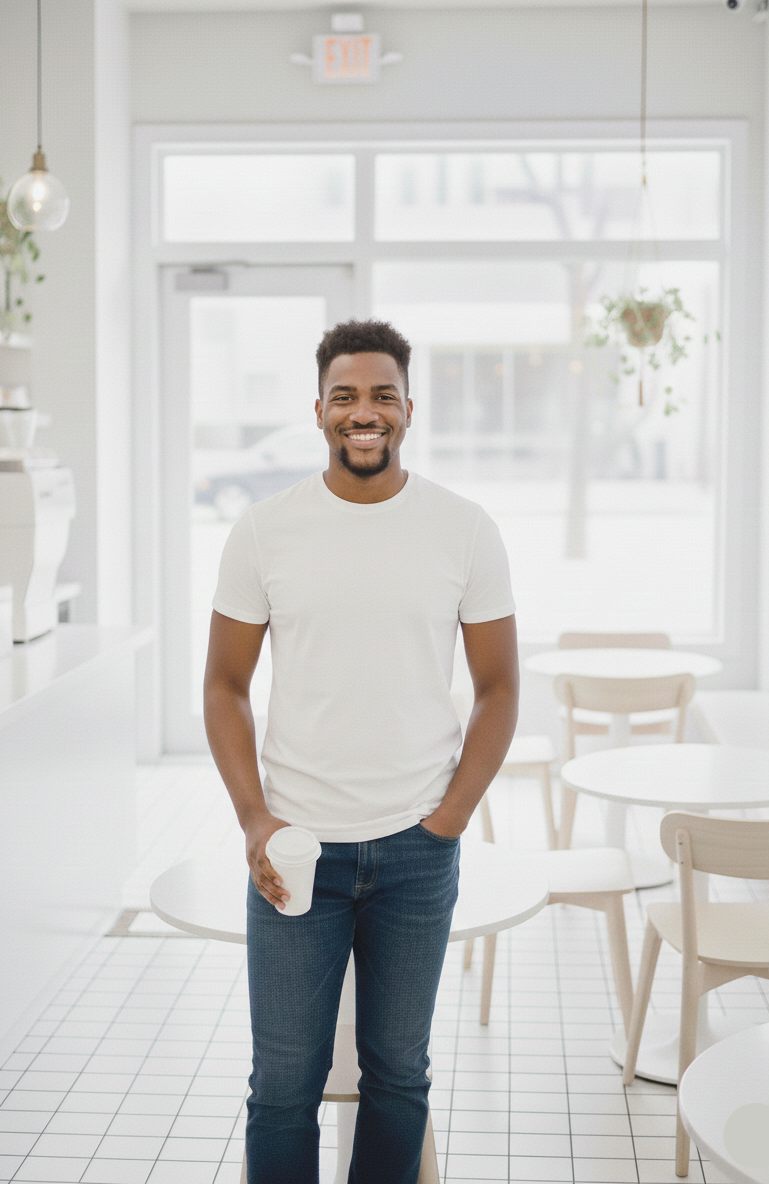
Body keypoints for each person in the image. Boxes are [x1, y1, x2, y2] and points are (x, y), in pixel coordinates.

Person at [204, 319, 519, 1184]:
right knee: (282, 1089)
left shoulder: (464, 529)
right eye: (344, 396)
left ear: (410, 409)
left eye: (383, 395)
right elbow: (224, 686)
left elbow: (499, 689)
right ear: (318, 411)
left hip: (418, 851)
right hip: (294, 849)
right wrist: (255, 820)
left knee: (398, 1077)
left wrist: (448, 819)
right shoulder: (264, 531)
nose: (364, 412)